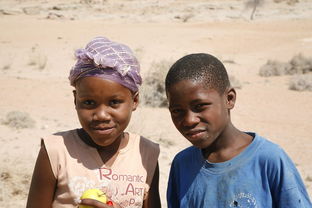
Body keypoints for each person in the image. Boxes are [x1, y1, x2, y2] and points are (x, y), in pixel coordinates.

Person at [26, 37, 161, 208]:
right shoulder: (55, 152)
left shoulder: (145, 153)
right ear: (76, 100)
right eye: (89, 103)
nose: (101, 115)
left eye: (114, 102)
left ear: (134, 101)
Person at [165, 53, 312, 207]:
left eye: (200, 106)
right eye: (177, 111)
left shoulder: (269, 160)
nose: (189, 120)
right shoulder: (182, 164)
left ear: (229, 99)